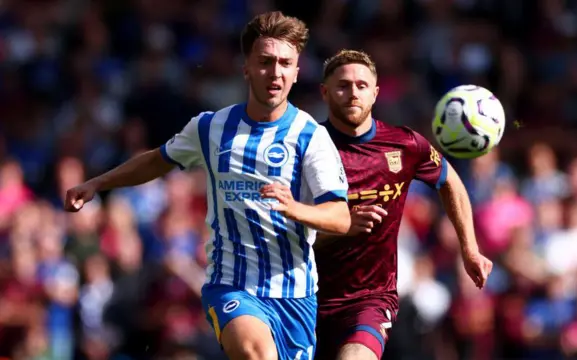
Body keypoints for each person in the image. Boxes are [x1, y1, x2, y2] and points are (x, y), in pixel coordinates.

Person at [64, 12, 351, 360]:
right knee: (256, 354)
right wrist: (99, 182)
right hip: (231, 286)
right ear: (246, 67)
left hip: (295, 296)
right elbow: (158, 159)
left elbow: (340, 217)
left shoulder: (311, 137)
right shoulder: (210, 128)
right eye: (265, 62)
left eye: (284, 63)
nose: (275, 72)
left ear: (296, 71)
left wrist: (295, 209)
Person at [313, 49, 494, 360]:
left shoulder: (404, 144)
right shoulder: (305, 147)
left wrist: (469, 248)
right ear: (325, 92)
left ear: (375, 93)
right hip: (303, 297)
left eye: (361, 85)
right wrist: (342, 225)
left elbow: (451, 182)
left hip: (369, 300)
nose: (353, 93)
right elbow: (282, 223)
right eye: (343, 85)